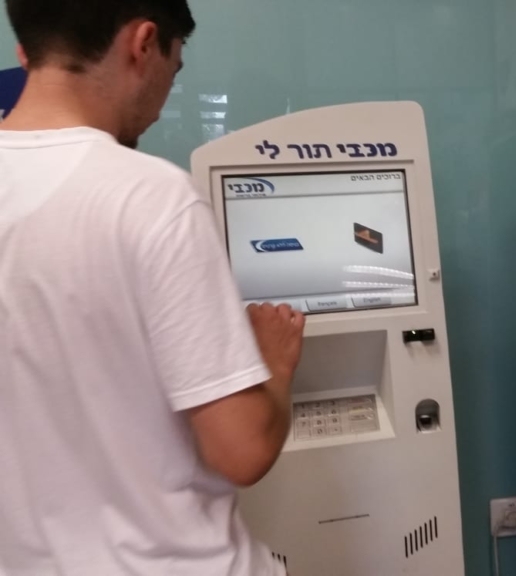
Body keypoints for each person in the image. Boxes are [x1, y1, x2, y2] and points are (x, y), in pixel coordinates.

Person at [0, 1, 305, 574]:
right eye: (176, 65)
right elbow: (242, 451)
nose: (167, 98)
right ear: (143, 44)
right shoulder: (153, 197)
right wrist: (275, 361)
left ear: (27, 51)